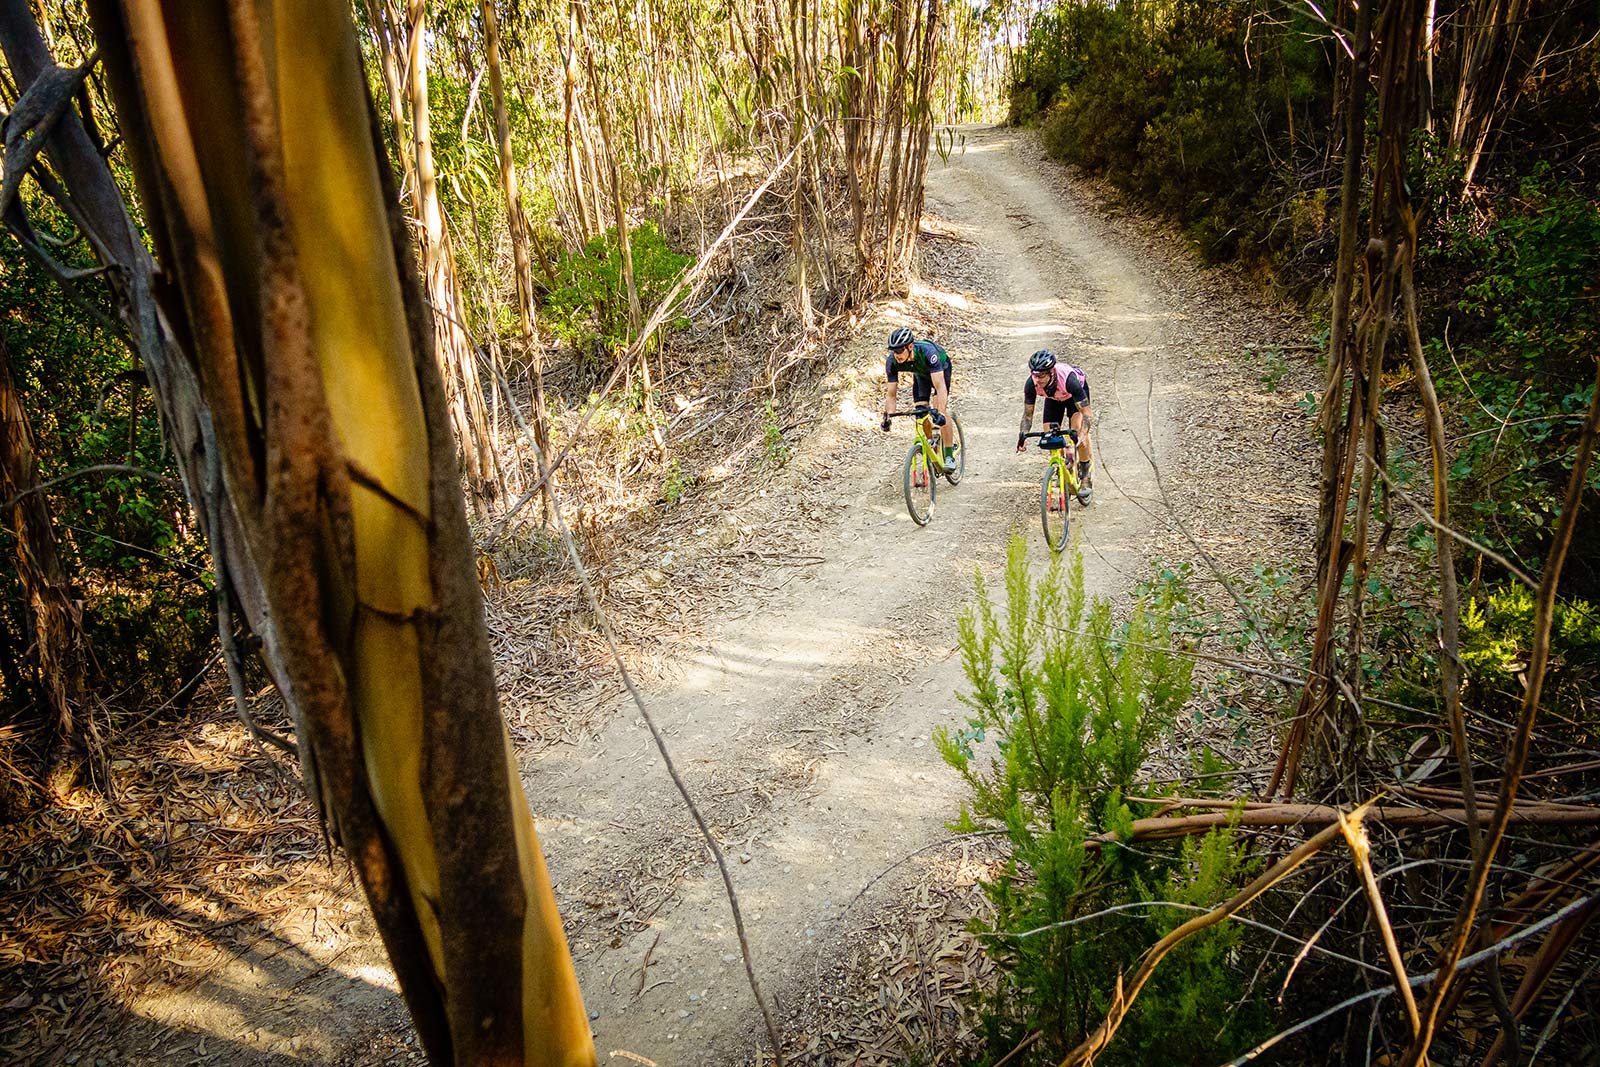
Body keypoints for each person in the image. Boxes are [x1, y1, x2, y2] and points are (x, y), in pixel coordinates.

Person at [1015, 348, 1093, 502]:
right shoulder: (1032, 384)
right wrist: (1022, 435)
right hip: (1054, 399)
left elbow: (1087, 414)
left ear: (1051, 372)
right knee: (1050, 437)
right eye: (1035, 375)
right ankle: (1062, 467)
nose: (1038, 380)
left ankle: (1085, 474)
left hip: (1073, 398)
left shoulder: (1069, 380)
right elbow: (1028, 415)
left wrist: (1083, 435)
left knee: (1076, 432)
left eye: (1042, 375)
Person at [879, 326, 957, 471]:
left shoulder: (928, 353)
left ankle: (948, 455)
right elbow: (891, 394)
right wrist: (888, 417)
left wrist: (940, 413)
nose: (897, 354)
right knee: (921, 412)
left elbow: (940, 388)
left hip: (941, 370)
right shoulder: (892, 362)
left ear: (910, 347)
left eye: (900, 350)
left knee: (939, 410)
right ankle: (930, 443)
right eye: (894, 351)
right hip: (921, 375)